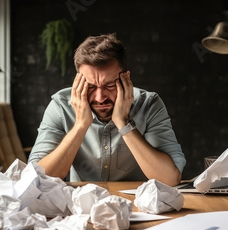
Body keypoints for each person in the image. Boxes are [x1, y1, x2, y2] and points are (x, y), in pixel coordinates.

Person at [28, 33, 186, 186]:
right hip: (81, 207)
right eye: (90, 87)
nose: (100, 97)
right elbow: (37, 179)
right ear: (77, 81)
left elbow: (169, 179)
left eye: (109, 85)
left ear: (126, 79)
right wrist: (80, 125)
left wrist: (124, 124)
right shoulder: (61, 106)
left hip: (138, 206)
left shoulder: (149, 104)